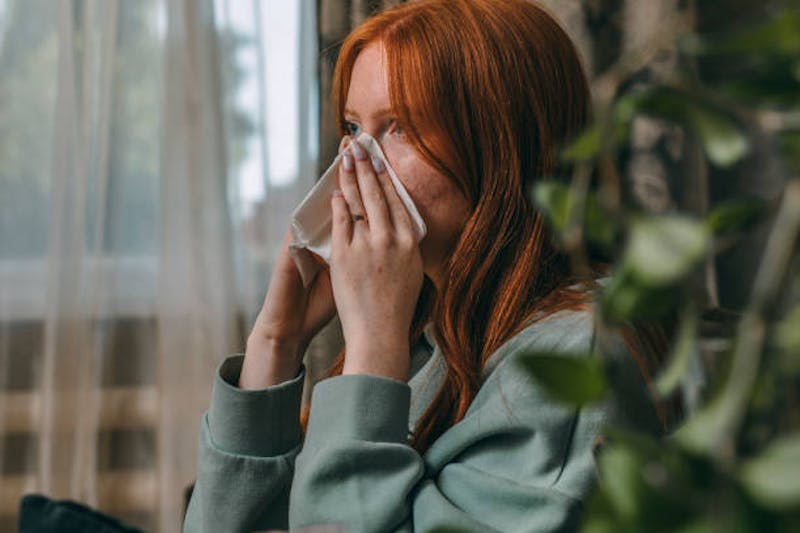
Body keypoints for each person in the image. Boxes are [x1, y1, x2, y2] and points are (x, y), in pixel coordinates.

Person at [184, 1, 672, 531]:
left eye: (400, 128)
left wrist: (372, 342)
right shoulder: (432, 335)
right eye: (353, 127)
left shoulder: (577, 353)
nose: (355, 164)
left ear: (500, 143)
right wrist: (276, 343)